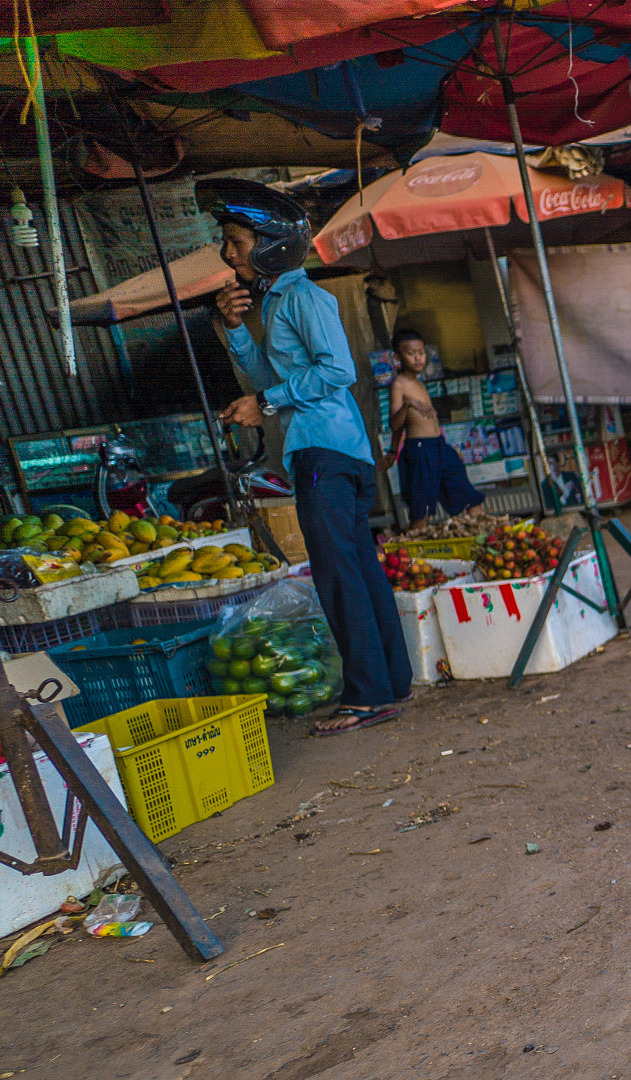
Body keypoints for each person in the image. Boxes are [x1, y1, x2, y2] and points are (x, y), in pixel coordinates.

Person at [199, 178, 411, 736]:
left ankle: (366, 697)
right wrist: (236, 332)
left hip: (326, 453)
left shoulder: (304, 297)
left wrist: (265, 401)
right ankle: (391, 683)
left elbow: (337, 370)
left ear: (269, 244)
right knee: (358, 568)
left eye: (236, 242)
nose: (228, 253)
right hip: (329, 452)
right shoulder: (278, 302)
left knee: (340, 575)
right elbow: (280, 379)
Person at [382, 329, 485, 530]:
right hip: (420, 450)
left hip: (439, 446)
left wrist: (393, 451)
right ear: (397, 357)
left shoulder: (418, 382)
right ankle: (411, 556)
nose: (418, 358)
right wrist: (408, 404)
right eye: (411, 353)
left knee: (469, 497)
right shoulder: (399, 384)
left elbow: (399, 428)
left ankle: (484, 538)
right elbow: (395, 424)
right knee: (423, 510)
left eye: (421, 352)